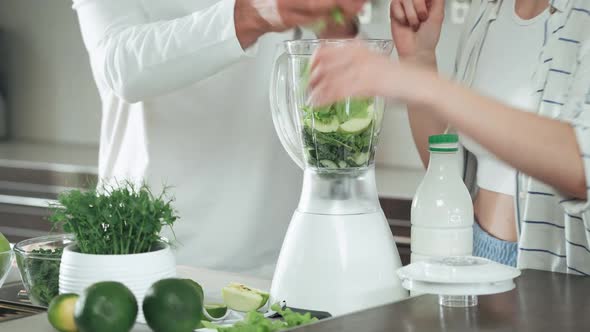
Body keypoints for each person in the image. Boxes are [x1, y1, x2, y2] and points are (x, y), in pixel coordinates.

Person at [72, 0, 367, 278]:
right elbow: (122, 66)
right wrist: (249, 14)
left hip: (282, 262)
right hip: (146, 259)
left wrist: (335, 22)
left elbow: (356, 86)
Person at [309, 0, 590, 275]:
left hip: (556, 280)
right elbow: (443, 168)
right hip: (476, 260)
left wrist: (419, 84)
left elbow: (581, 166)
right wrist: (417, 59)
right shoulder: (486, 11)